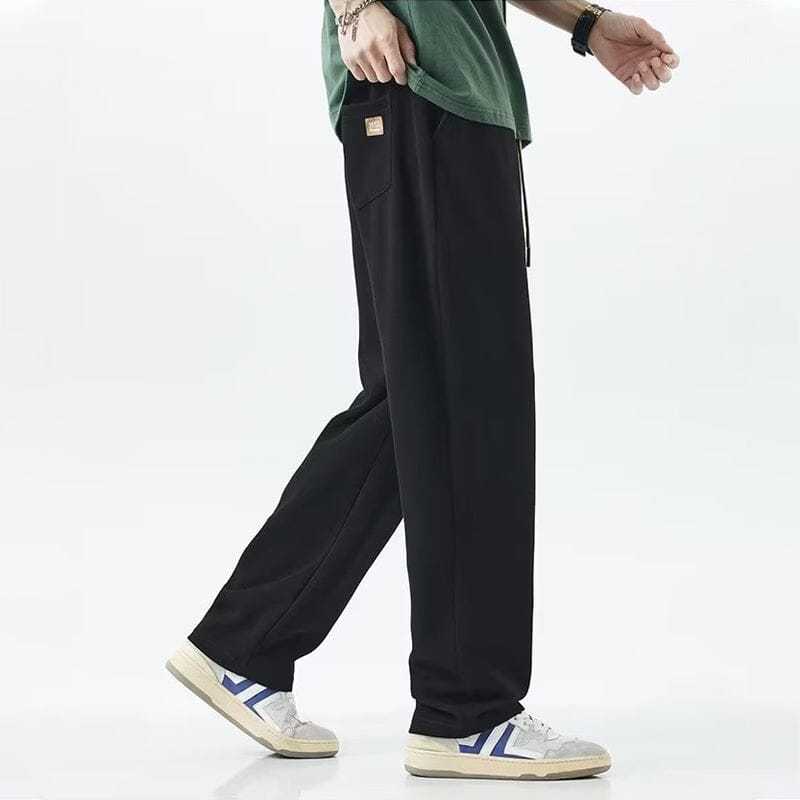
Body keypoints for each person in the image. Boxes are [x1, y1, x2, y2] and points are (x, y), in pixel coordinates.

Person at [167, 0, 679, 781]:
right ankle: (466, 711)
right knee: (470, 410)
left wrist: (584, 24)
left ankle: (245, 644)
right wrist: (356, 7)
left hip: (445, 100)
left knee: (418, 402)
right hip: (419, 87)